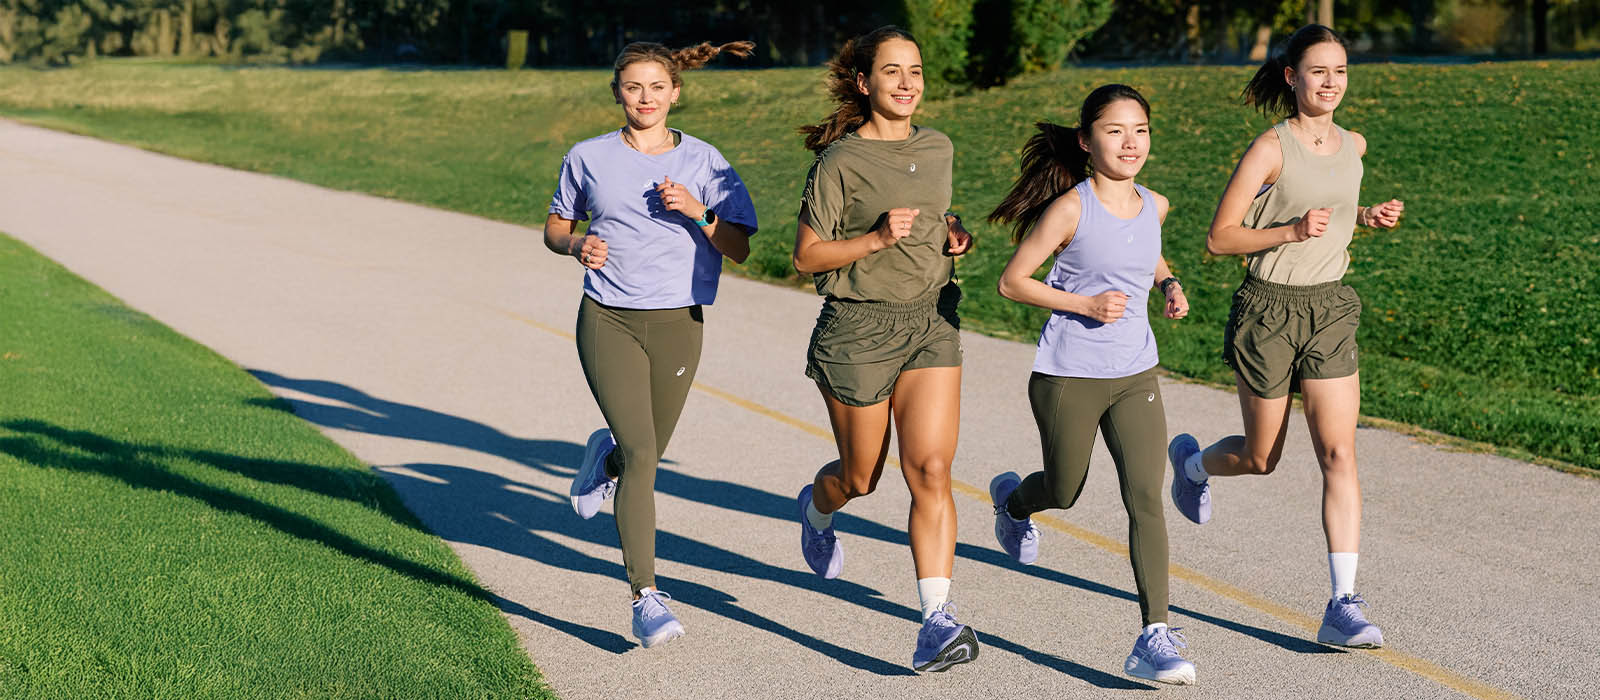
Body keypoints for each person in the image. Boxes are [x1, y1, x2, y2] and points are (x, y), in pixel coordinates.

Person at [1166, 24, 1404, 649]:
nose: (1332, 83)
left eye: (1341, 72)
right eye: (1319, 72)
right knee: (1260, 457)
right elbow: (1220, 238)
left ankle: (1343, 603)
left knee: (1339, 453)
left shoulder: (1354, 144)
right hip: (1267, 311)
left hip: (1329, 309)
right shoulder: (1269, 148)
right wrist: (1290, 233)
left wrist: (1366, 217)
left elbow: (1334, 208)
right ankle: (1192, 463)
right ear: (1293, 78)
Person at [543, 39, 757, 649]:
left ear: (675, 92)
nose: (645, 98)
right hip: (607, 317)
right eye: (633, 88)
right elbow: (557, 225)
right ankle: (646, 596)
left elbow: (739, 247)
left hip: (678, 322)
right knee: (644, 457)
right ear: (618, 93)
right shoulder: (588, 157)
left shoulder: (707, 163)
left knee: (644, 454)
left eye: (656, 87)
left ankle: (602, 460)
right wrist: (575, 245)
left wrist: (698, 211)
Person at [986, 84, 1196, 685]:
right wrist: (1083, 302)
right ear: (1086, 141)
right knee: (1065, 489)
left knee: (1146, 498)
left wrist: (1169, 283)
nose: (1131, 143)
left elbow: (1146, 252)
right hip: (1068, 375)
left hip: (1135, 372)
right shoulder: (1070, 208)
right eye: (1115, 131)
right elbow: (1012, 282)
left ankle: (1155, 633)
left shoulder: (1153, 205)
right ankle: (1014, 501)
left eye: (1141, 131)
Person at [789, 25, 978, 673]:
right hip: (857, 332)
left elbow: (939, 218)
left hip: (931, 322)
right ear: (864, 82)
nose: (907, 83)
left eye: (916, 71)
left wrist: (956, 237)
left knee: (929, 470)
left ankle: (935, 623)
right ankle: (816, 510)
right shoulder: (839, 162)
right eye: (892, 72)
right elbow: (806, 256)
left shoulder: (939, 145)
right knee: (860, 478)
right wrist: (871, 241)